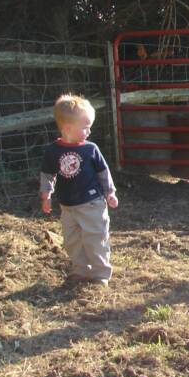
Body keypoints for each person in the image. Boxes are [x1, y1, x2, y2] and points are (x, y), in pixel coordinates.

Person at [40, 94, 118, 286]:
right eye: (85, 127)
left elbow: (103, 171)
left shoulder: (91, 149)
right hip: (67, 206)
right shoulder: (53, 151)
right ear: (67, 128)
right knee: (72, 240)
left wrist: (110, 192)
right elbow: (47, 174)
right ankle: (80, 270)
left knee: (95, 238)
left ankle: (100, 273)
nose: (89, 131)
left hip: (92, 203)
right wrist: (46, 195)